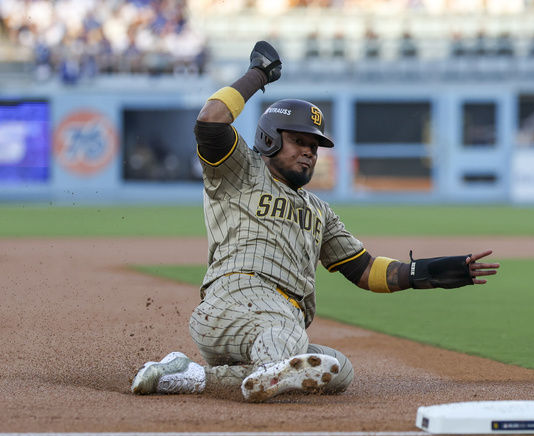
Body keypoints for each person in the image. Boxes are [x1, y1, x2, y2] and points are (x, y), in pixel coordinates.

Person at [130, 41, 499, 403]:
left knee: (336, 369)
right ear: (270, 139)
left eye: (315, 145)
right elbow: (210, 120)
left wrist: (430, 272)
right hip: (236, 299)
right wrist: (258, 74)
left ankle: (189, 376)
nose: (310, 151)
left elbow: (366, 269)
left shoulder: (320, 211)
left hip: (280, 318)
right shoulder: (240, 170)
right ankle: (274, 362)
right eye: (299, 140)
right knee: (288, 340)